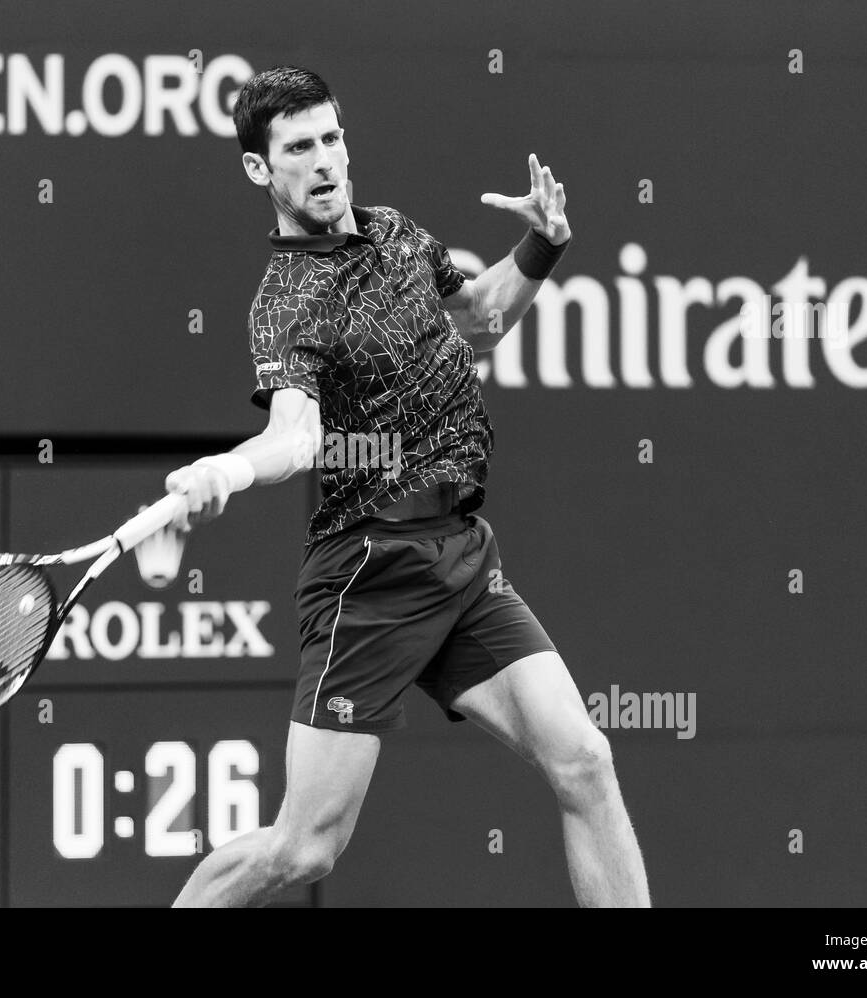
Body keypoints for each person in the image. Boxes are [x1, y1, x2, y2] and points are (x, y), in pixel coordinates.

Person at [165, 66, 650, 907]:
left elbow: (480, 321)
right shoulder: (285, 304)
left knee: (585, 760)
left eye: (331, 138)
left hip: (462, 557)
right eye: (297, 148)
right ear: (259, 171)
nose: (323, 161)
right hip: (370, 575)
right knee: (303, 851)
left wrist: (543, 244)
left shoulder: (397, 235)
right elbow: (298, 435)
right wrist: (230, 469)